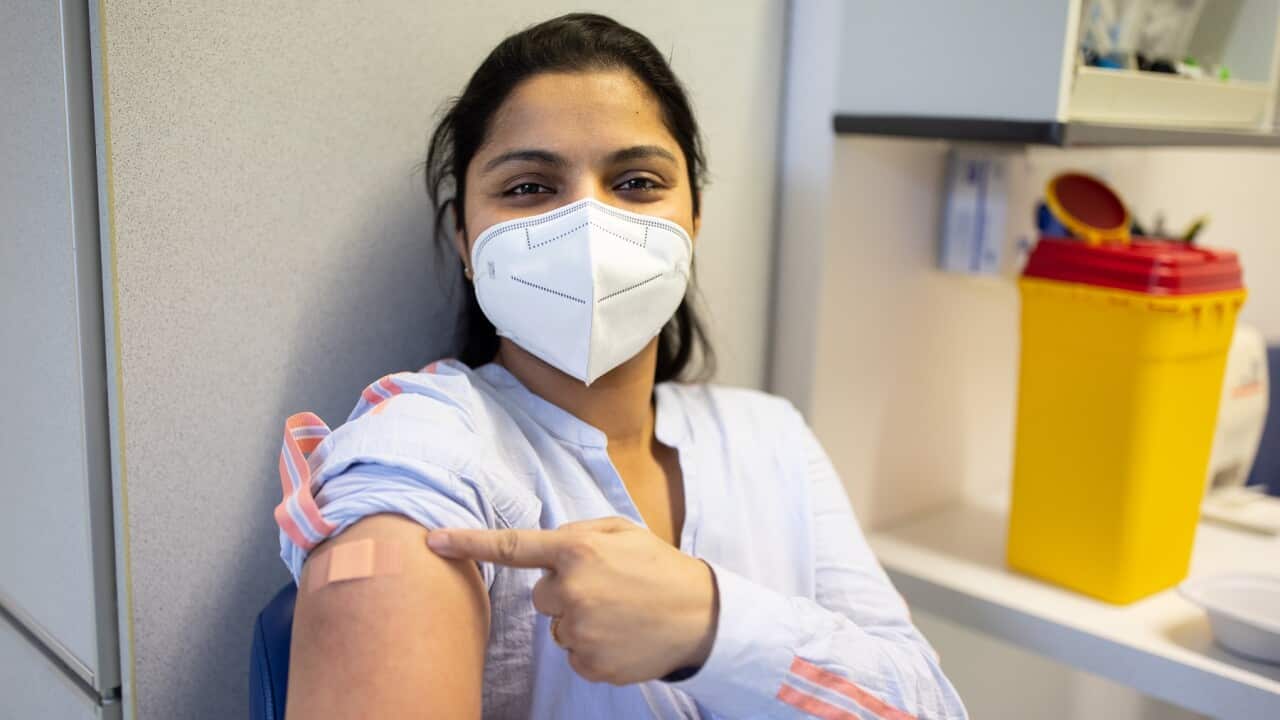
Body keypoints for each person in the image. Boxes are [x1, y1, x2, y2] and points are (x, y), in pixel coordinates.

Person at [275, 12, 966, 720]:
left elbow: (931, 706)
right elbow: (393, 515)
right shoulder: (421, 446)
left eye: (636, 182)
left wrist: (710, 625)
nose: (589, 228)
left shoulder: (771, 438)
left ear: (693, 221)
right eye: (529, 188)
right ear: (464, 239)